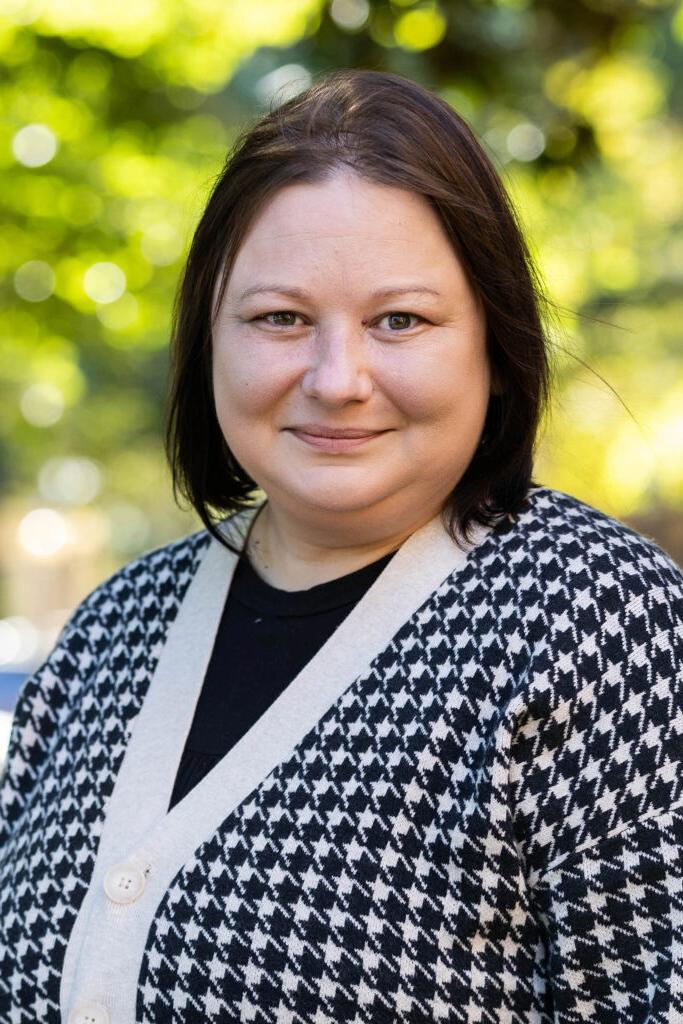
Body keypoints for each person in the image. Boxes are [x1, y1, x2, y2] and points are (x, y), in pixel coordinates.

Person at [1, 68, 681, 1024]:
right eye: (280, 318)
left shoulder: (599, 626)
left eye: (399, 320)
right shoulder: (117, 626)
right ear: (210, 337)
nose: (336, 379)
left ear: (493, 337)